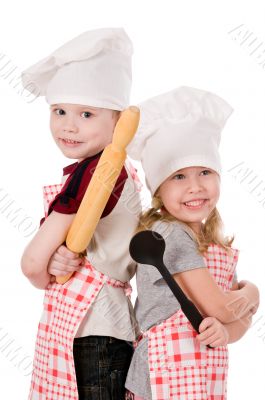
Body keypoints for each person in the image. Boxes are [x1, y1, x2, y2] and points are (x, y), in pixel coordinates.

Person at [20, 28, 141, 400]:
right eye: (59, 111)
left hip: (90, 329)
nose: (68, 125)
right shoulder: (119, 168)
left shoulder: (96, 174)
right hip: (109, 325)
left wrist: (47, 268)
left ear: (118, 122)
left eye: (86, 113)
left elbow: (32, 264)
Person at [125, 87, 260, 400]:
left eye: (205, 171)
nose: (196, 187)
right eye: (178, 176)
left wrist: (227, 331)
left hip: (201, 369)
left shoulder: (214, 243)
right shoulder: (170, 235)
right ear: (159, 188)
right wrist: (253, 294)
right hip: (163, 370)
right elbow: (221, 307)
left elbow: (231, 323)